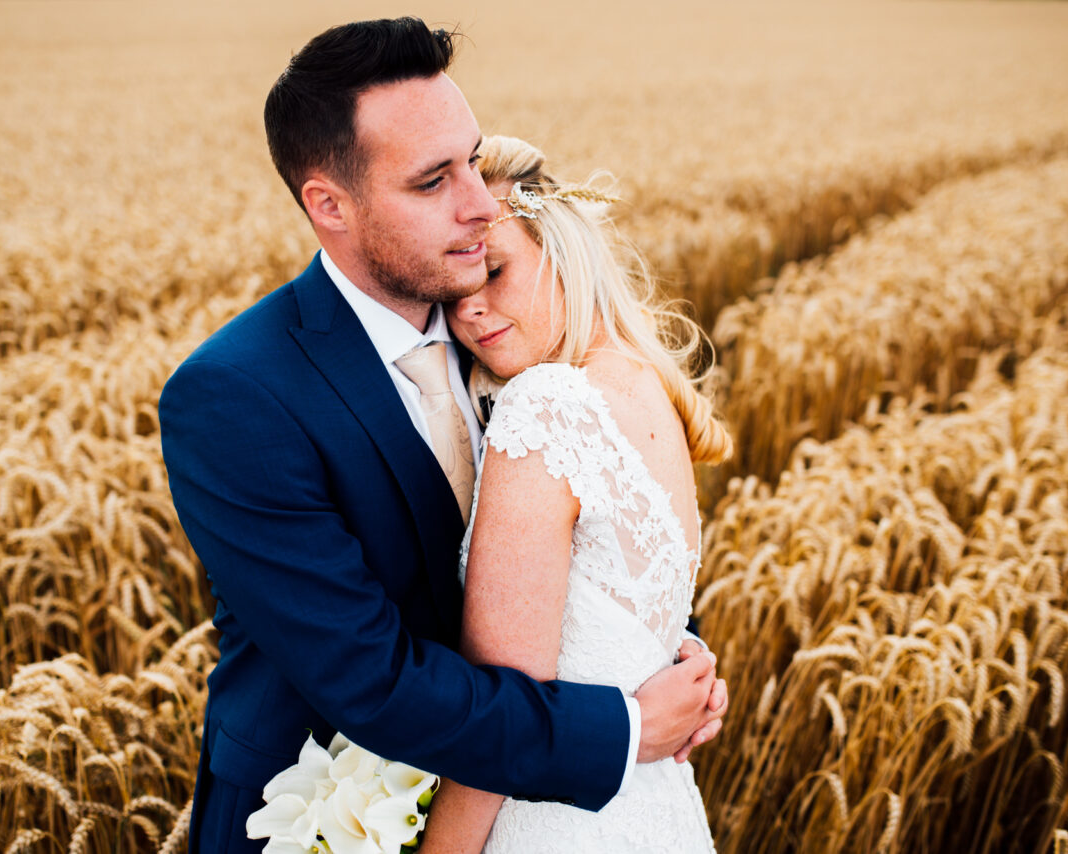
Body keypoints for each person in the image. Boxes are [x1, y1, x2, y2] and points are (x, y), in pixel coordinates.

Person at [157, 19, 726, 854]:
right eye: (433, 181)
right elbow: (370, 679)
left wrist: (649, 650)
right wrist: (622, 727)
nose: (480, 203)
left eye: (471, 159)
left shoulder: (508, 343)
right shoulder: (235, 396)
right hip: (322, 820)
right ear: (330, 205)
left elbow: (571, 562)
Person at [417, 135, 734, 852]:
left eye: (494, 271)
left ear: (561, 251)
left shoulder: (545, 405)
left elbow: (504, 720)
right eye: (453, 294)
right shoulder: (646, 387)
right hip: (652, 809)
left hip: (550, 821)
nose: (469, 312)